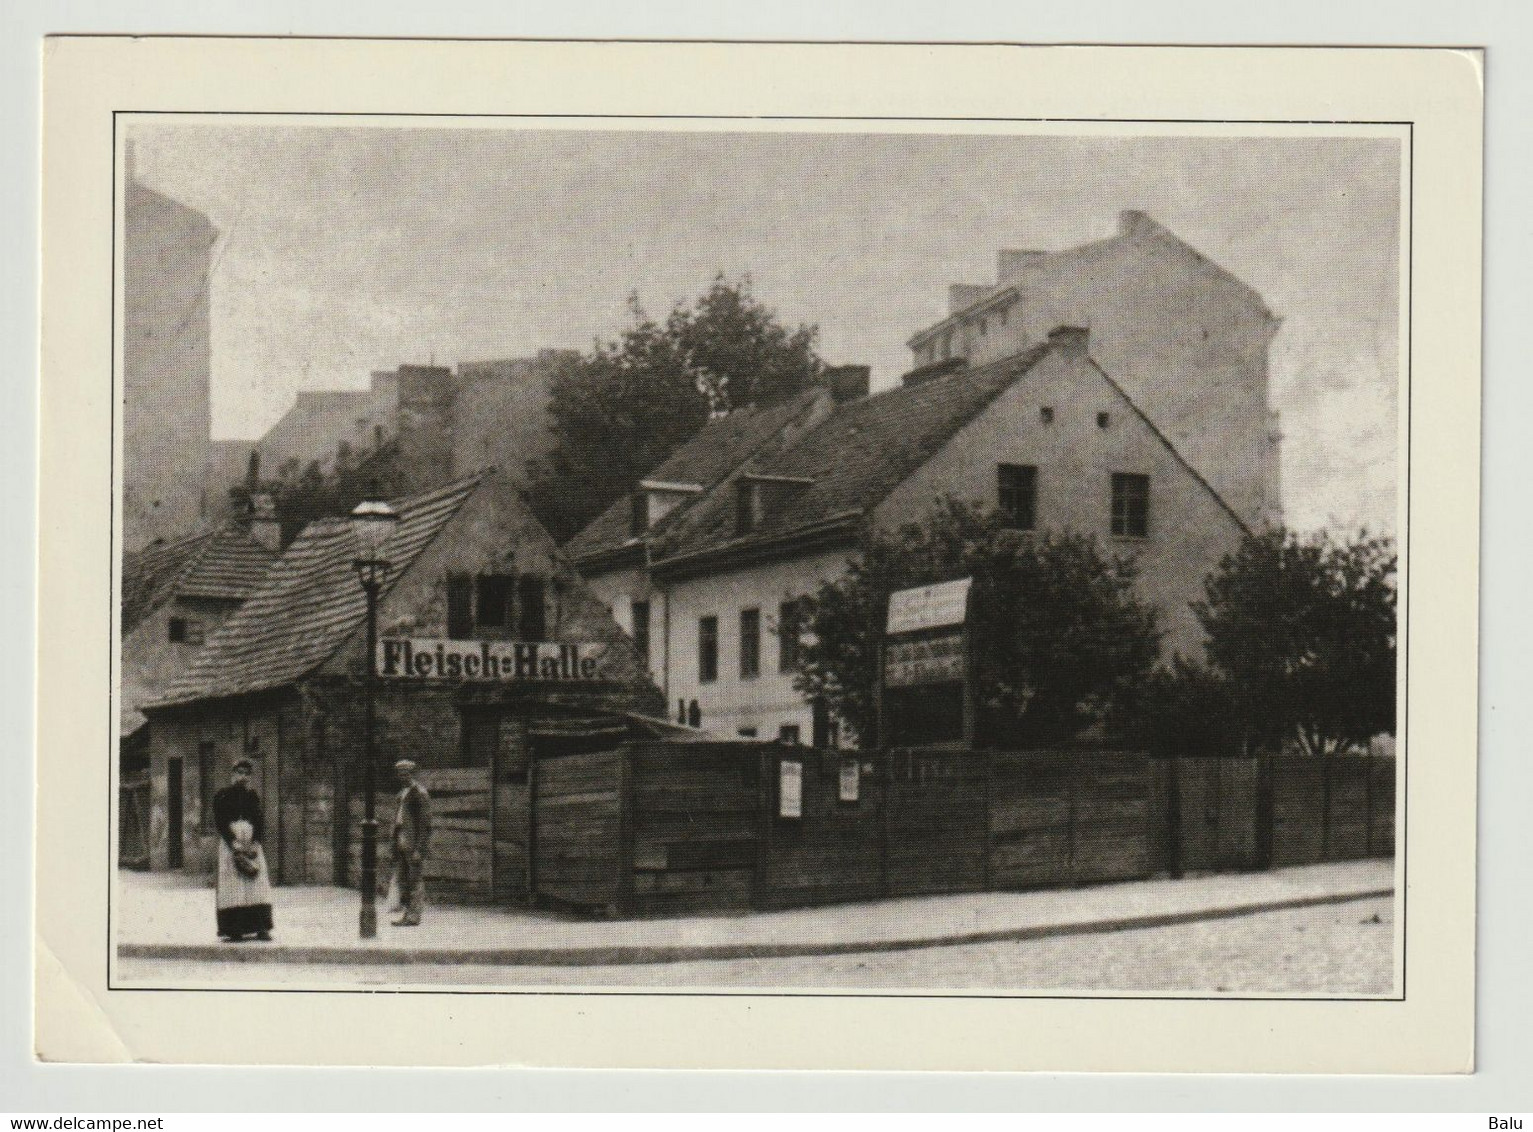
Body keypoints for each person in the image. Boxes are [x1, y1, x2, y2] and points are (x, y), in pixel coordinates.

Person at [212, 758, 274, 942]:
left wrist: (255, 842)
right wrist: (233, 842)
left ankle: (261, 928)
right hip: (231, 843)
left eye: (247, 774)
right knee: (234, 885)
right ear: (233, 774)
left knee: (257, 882)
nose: (243, 777)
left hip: (250, 842)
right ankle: (234, 929)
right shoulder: (222, 796)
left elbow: (259, 821)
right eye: (240, 773)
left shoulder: (253, 796)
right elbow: (220, 822)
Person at [389, 759, 432, 926]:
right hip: (401, 840)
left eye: (406, 774)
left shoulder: (419, 794)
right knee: (404, 878)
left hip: (412, 842)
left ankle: (414, 915)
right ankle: (407, 913)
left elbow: (425, 825)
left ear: (412, 774)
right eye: (400, 774)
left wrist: (419, 849)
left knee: (415, 879)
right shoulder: (402, 794)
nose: (403, 777)